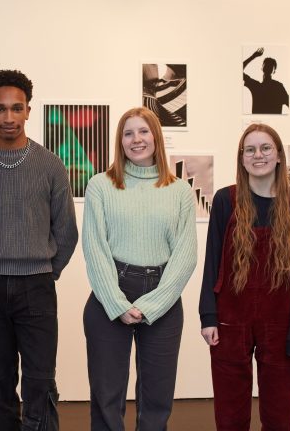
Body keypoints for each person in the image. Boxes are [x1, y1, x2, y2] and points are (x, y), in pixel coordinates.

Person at [0, 69, 79, 430]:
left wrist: (45, 272)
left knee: (40, 383)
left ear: (30, 110)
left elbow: (67, 232)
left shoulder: (51, 165)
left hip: (37, 288)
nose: (9, 117)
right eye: (0, 109)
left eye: (17, 108)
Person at [82, 107, 198, 430]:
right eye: (128, 133)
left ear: (156, 137)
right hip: (110, 294)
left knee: (157, 398)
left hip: (163, 295)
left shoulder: (179, 191)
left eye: (143, 131)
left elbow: (185, 256)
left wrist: (152, 306)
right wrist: (117, 304)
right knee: (107, 396)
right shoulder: (100, 186)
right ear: (120, 141)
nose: (137, 139)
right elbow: (95, 250)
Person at [199, 123, 290, 431]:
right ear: (241, 157)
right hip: (229, 320)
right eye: (250, 149)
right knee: (230, 415)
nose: (258, 155)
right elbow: (212, 260)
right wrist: (208, 315)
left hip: (281, 322)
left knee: (279, 415)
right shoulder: (226, 201)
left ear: (278, 156)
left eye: (265, 148)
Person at [243, 47, 289, 114]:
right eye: (267, 65)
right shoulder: (256, 85)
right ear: (262, 68)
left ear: (274, 71)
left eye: (271, 66)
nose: (268, 66)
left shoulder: (278, 87)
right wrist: (253, 56)